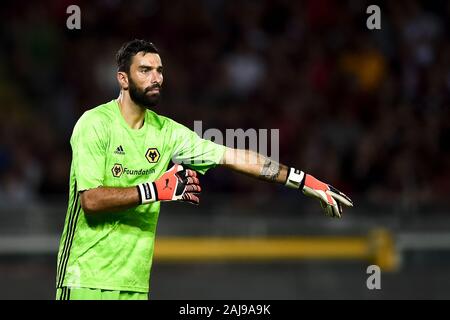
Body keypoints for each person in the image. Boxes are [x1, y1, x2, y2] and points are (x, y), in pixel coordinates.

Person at [55, 39, 353, 300]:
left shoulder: (167, 132)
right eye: (145, 70)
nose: (156, 78)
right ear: (123, 78)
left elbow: (232, 156)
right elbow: (91, 201)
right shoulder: (95, 124)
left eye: (159, 70)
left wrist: (302, 180)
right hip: (85, 278)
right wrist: (155, 190)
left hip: (133, 283)